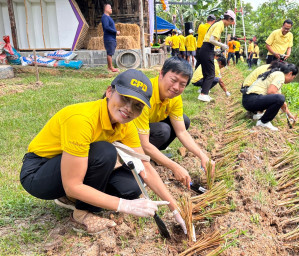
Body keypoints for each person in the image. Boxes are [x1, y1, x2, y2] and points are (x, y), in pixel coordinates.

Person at [20, 69, 186, 235]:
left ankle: (72, 198)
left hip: (73, 164)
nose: (128, 108)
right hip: (39, 172)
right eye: (124, 98)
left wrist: (175, 209)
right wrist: (125, 205)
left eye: (137, 106)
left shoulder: (127, 126)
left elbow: (145, 166)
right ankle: (81, 213)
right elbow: (72, 185)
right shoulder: (82, 120)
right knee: (105, 152)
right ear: (109, 91)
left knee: (132, 187)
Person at [134, 57, 215, 190]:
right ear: (161, 74)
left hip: (147, 127)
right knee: (163, 130)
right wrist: (174, 167)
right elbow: (144, 143)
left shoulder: (175, 98)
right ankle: (143, 158)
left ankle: (154, 156)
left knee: (184, 120)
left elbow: (182, 132)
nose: (176, 87)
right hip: (128, 137)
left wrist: (202, 156)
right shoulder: (145, 95)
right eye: (173, 80)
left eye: (182, 84)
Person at [242, 63, 298, 131]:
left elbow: (277, 100)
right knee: (280, 98)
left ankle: (258, 116)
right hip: (251, 99)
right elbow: (271, 92)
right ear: (290, 73)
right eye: (293, 77)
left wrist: (289, 115)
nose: (292, 80)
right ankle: (263, 122)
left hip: (248, 100)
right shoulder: (280, 75)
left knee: (280, 98)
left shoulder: (277, 75)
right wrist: (282, 102)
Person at [198, 10, 236, 102]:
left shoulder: (218, 24)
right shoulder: (220, 25)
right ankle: (203, 94)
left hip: (206, 48)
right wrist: (222, 45)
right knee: (211, 74)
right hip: (207, 48)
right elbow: (211, 40)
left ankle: (204, 93)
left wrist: (217, 49)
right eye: (231, 21)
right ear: (229, 19)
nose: (230, 24)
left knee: (207, 73)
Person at [101, 4, 120, 72]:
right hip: (109, 38)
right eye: (110, 8)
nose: (111, 9)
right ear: (106, 9)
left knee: (110, 52)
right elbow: (106, 27)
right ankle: (111, 68)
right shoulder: (105, 17)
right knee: (110, 53)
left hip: (111, 38)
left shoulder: (107, 17)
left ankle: (109, 67)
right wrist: (115, 32)